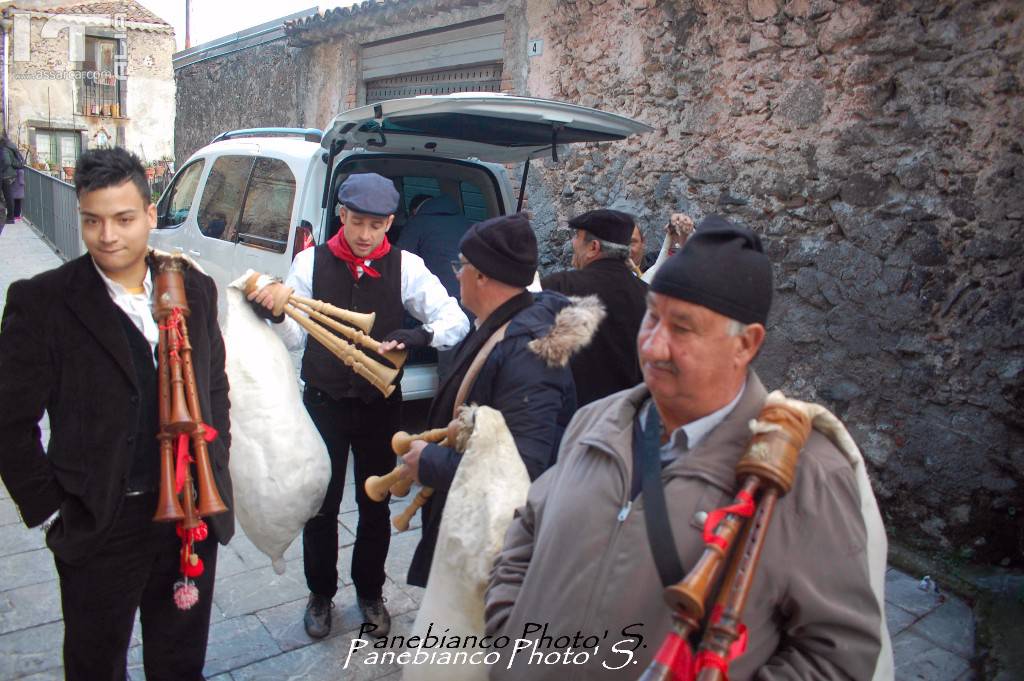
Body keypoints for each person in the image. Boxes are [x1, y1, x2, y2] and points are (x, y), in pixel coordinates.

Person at [485, 215, 890, 681]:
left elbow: (837, 655)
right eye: (652, 318)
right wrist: (508, 634)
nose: (654, 347)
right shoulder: (595, 420)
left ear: (746, 344)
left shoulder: (805, 473)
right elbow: (530, 525)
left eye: (683, 329)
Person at [0, 147, 234, 681]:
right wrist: (54, 507)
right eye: (93, 220)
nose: (108, 236)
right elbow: (9, 421)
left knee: (180, 662)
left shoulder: (194, 288)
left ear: (151, 216)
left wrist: (213, 464)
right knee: (95, 664)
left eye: (124, 219)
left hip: (190, 516)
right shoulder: (43, 302)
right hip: (101, 521)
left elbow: (214, 385)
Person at [247, 172, 469, 640]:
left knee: (375, 502)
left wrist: (420, 335)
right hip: (323, 402)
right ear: (342, 216)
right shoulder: (311, 262)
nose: (366, 235)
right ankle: (320, 595)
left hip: (378, 403)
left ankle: (369, 593)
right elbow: (293, 338)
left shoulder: (406, 266)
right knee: (321, 505)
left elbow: (454, 320)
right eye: (357, 222)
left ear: (390, 222)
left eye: (377, 225)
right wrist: (276, 312)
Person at [399, 213, 603, 588]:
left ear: (481, 276)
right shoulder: (502, 325)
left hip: (499, 549)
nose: (456, 275)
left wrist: (433, 462)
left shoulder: (527, 352)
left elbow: (523, 467)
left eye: (461, 267)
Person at [541, 209, 648, 406]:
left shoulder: (558, 287)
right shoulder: (651, 297)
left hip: (573, 421)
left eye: (577, 237)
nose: (573, 243)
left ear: (593, 247)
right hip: (630, 421)